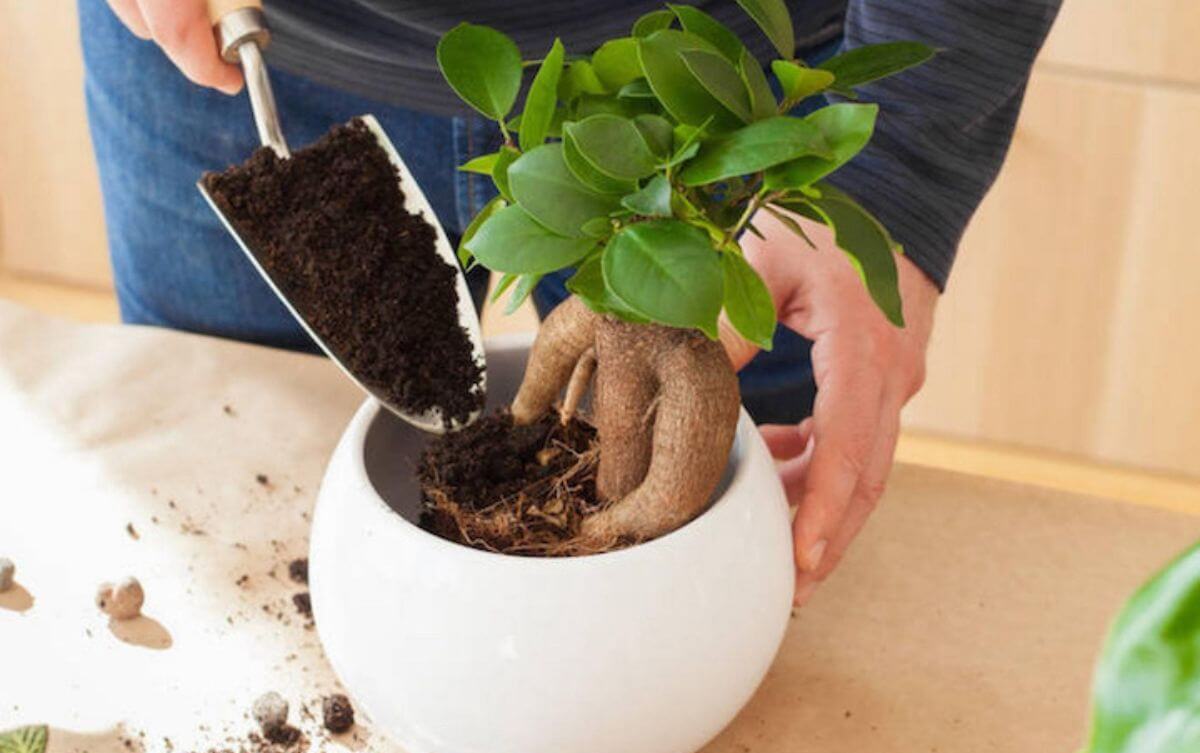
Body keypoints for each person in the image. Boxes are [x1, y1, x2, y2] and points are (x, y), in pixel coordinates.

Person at [85, 0, 1060, 603]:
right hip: (233, 42)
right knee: (225, 537)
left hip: (727, 98)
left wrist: (899, 172)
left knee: (717, 582)